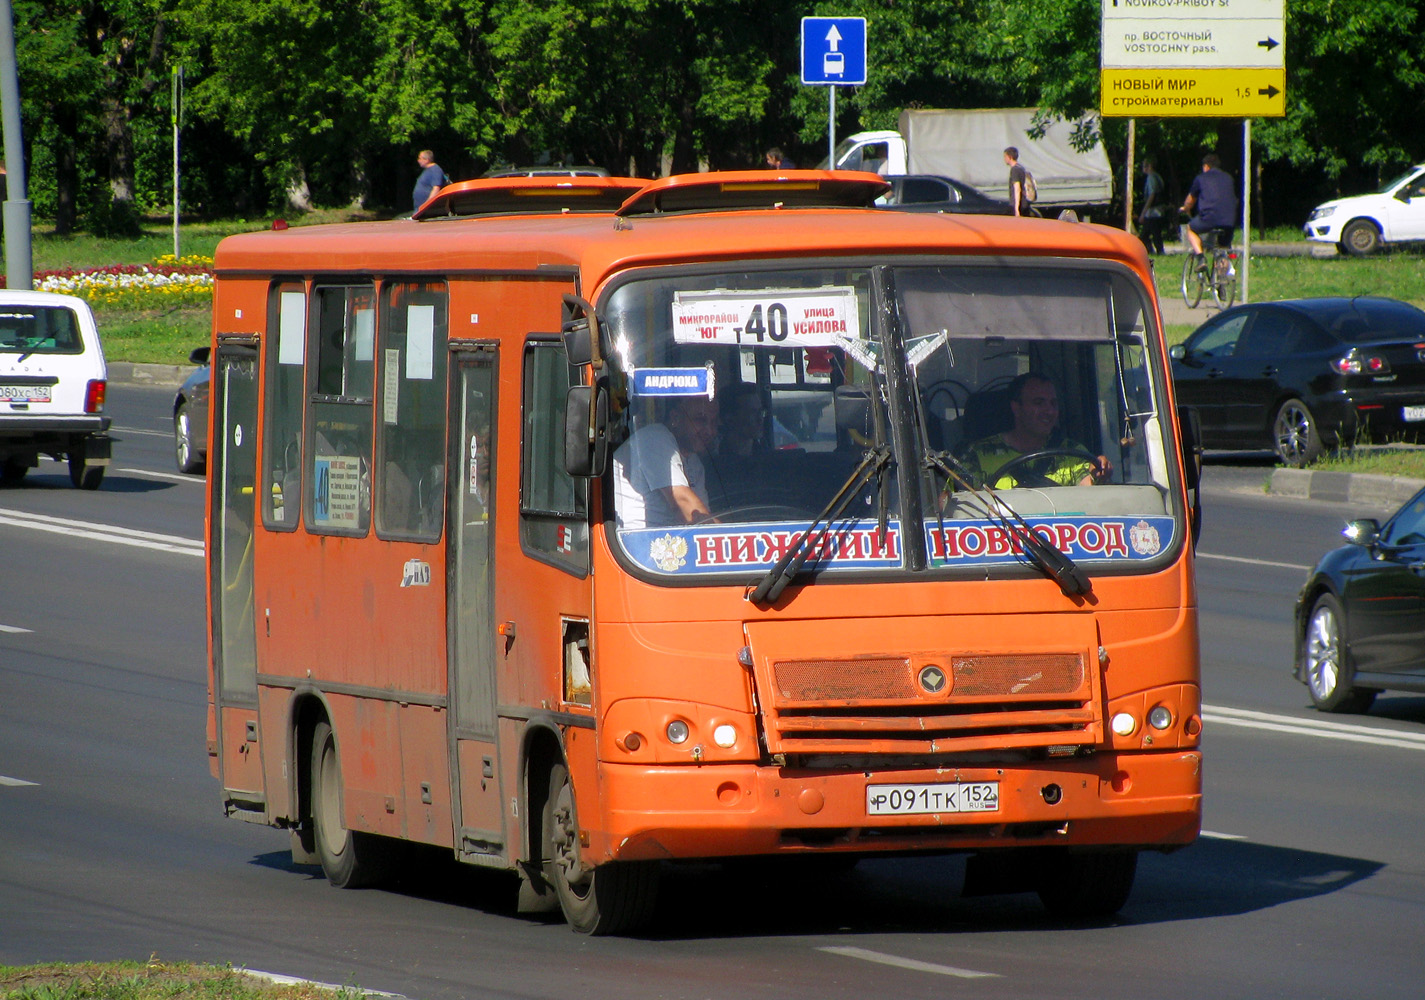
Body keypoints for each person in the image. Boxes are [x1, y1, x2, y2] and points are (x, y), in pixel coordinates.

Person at [962, 372, 1110, 489]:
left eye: (1053, 403)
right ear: (1016, 408)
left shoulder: (1071, 452)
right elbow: (957, 506)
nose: (1049, 411)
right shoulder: (977, 455)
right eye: (1038, 403)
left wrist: (1098, 474)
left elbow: (1089, 489)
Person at [612, 395, 719, 529]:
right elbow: (687, 507)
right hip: (633, 543)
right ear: (675, 418)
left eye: (714, 423)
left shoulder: (694, 462)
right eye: (700, 420)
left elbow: (703, 517)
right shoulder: (655, 437)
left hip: (669, 541)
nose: (710, 431)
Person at [1180, 153, 1238, 256]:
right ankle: (1223, 269)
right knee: (1223, 249)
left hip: (1209, 218)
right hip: (1229, 220)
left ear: (1206, 166)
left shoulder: (1201, 178)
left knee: (1190, 229)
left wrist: (1185, 208)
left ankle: (1200, 257)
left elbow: (1190, 200)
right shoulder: (1228, 178)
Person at [1138, 157, 1167, 255]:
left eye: (1144, 165)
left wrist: (1143, 212)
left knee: (1146, 235)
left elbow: (1152, 195)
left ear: (1149, 166)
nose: (1143, 168)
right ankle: (1155, 251)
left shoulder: (1151, 178)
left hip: (1153, 211)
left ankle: (1155, 252)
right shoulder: (1158, 176)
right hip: (1159, 210)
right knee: (1154, 233)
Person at [1004, 146, 1031, 217]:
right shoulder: (1021, 168)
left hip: (1018, 204)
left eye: (1005, 156)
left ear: (1010, 157)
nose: (1004, 159)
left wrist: (1016, 208)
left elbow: (1017, 188)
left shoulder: (1014, 170)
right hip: (1024, 203)